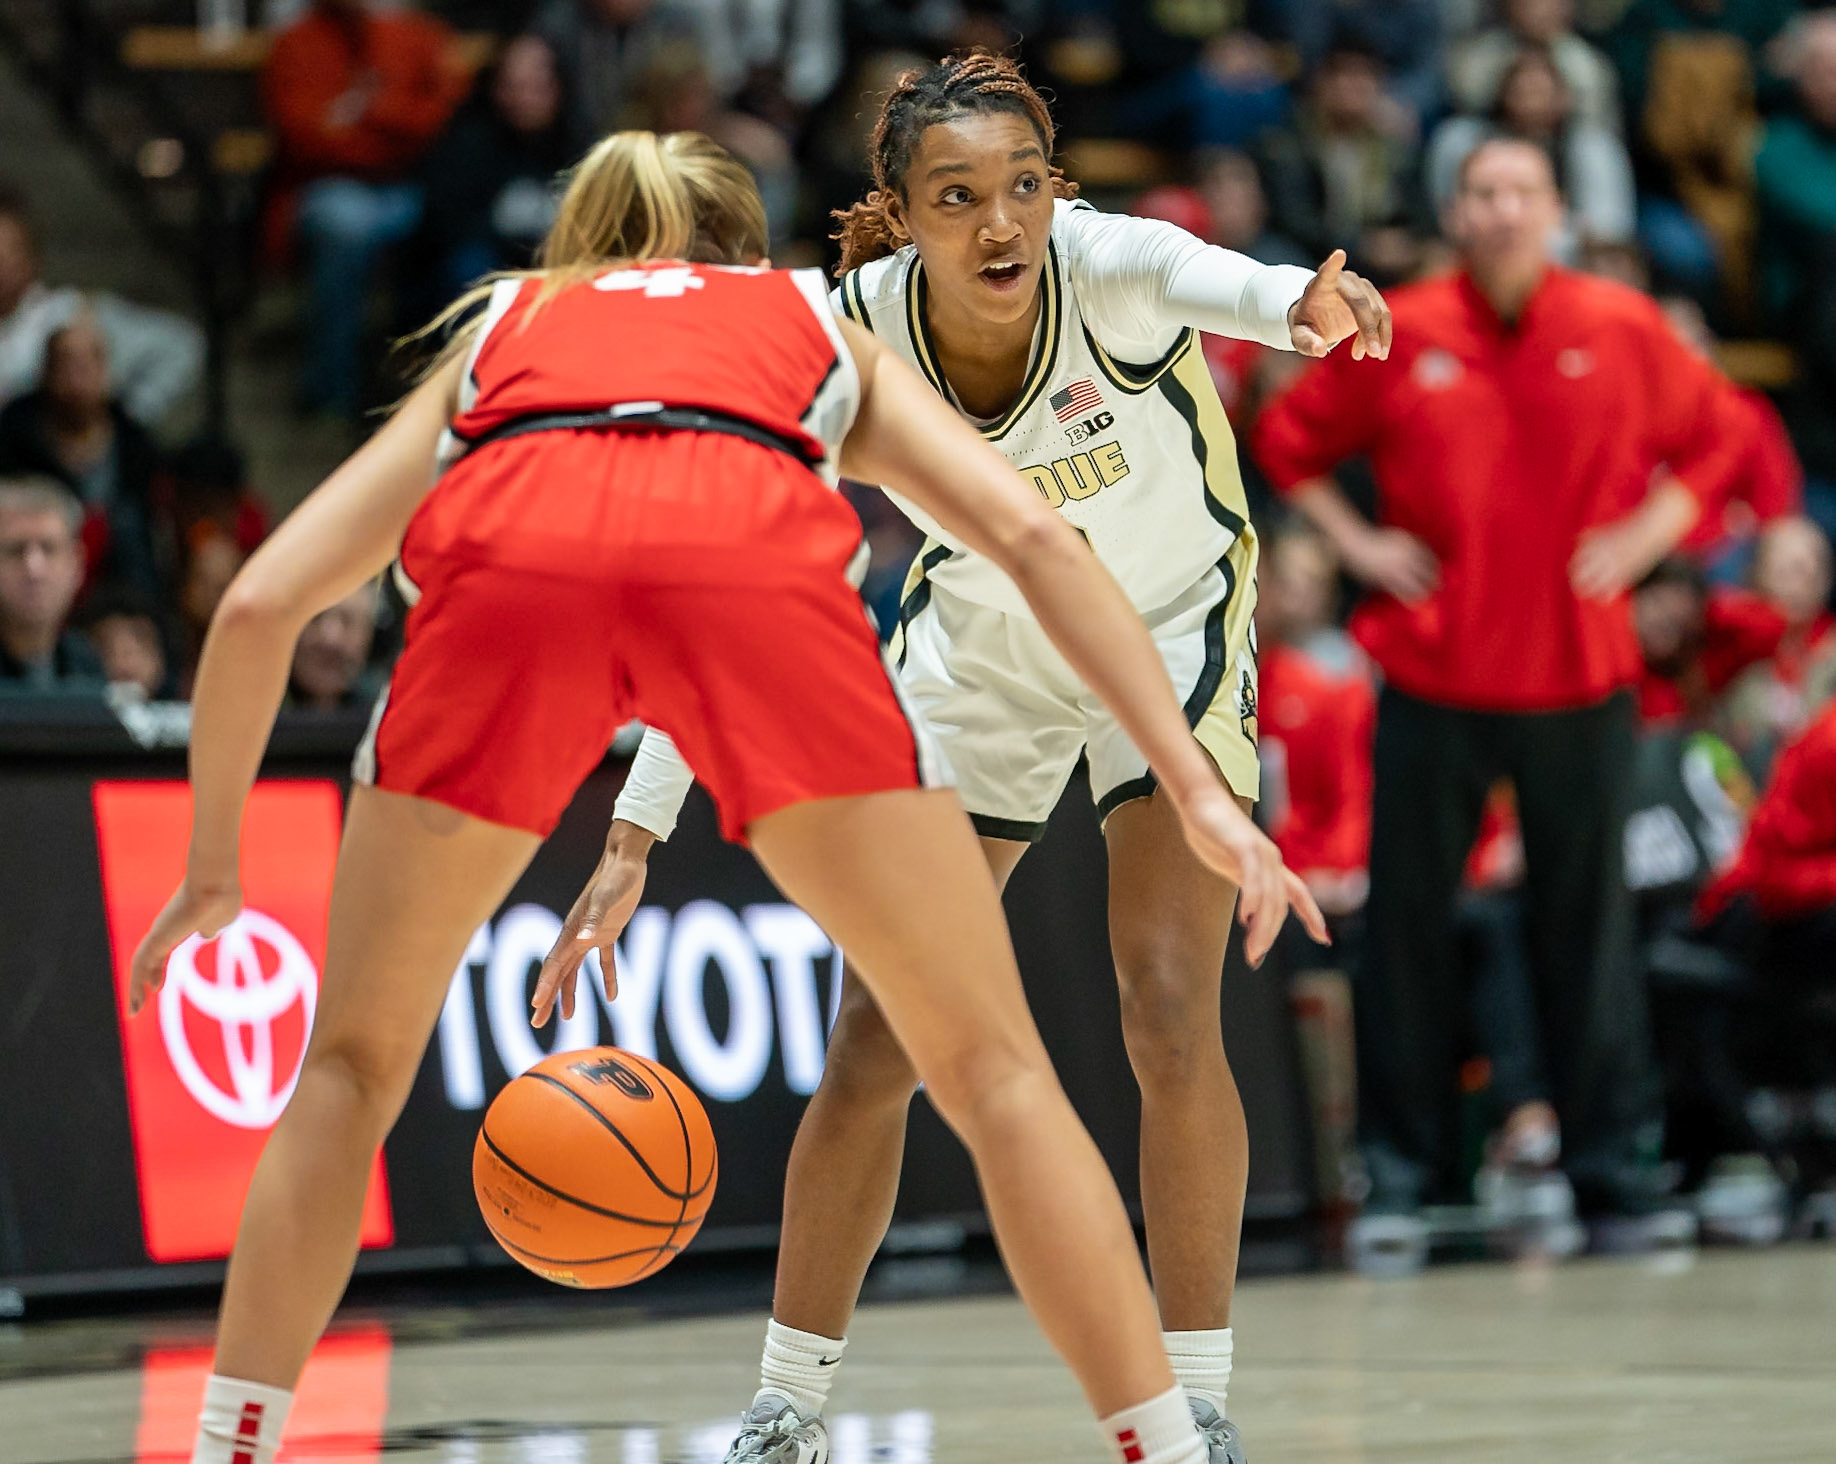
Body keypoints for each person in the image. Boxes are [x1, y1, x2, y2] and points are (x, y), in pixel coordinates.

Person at [126, 130, 1325, 1464]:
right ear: (743, 248)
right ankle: (1161, 1439)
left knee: (347, 1072)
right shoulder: (800, 316)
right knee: (989, 1068)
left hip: (515, 570)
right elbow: (1036, 539)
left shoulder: (507, 325)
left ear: (583, 242)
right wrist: (1202, 787)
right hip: (771, 580)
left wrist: (216, 866)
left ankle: (228, 1442)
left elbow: (259, 605)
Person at [576, 53, 1390, 1464]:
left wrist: (1309, 310)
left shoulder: (1110, 267)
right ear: (898, 212)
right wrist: (638, 830)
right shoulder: (849, 336)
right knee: (877, 1033)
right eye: (957, 199)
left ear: (1056, 192)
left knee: (1162, 1004)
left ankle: (1191, 1404)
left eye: (1024, 188)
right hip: (986, 652)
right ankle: (787, 1409)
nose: (1000, 225)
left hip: (1177, 626)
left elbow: (1247, 287)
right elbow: (726, 583)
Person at [1253, 138, 1743, 1263]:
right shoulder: (1405, 324)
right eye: (1482, 192)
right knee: (1410, 935)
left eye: (1523, 191)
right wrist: (1361, 542)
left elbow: (1723, 442)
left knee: (1593, 931)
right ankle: (1404, 1178)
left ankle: (1613, 1175)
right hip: (1434, 675)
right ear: (1456, 213)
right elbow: (1286, 440)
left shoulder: (1621, 324)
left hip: (1582, 675)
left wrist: (1651, 536)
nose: (1503, 209)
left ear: (1558, 209)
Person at [262, 0, 469, 416]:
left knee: (459, 223)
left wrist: (369, 111)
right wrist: (389, 136)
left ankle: (443, 387)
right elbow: (303, 136)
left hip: (415, 183)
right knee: (342, 222)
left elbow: (445, 121)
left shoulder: (420, 34)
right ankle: (333, 387)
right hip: (330, 186)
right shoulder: (298, 41)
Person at [0, 182, 204, 429]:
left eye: (11, 252)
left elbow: (182, 343)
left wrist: (122, 424)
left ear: (33, 256)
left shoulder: (71, 315)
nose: (4, 266)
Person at [0, 314, 165, 599]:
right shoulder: (12, 432)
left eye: (87, 364)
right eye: (66, 364)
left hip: (114, 583)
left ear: (106, 370)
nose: (77, 378)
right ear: (46, 372)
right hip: (33, 567)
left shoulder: (133, 440)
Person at [415, 34, 588, 300]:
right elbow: (445, 227)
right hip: (486, 271)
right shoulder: (465, 144)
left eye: (536, 87)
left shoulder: (583, 146)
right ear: (494, 88)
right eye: (513, 86)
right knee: (469, 265)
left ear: (559, 88)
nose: (524, 99)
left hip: (559, 268)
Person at [1424, 49, 1636, 257]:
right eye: (1521, 92)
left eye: (1540, 92)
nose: (1531, 103)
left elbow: (1608, 229)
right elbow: (1451, 217)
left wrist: (1544, 240)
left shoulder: (1592, 147)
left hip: (1573, 260)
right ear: (1502, 94)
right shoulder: (1464, 141)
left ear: (1562, 97)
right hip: (1480, 252)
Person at [1448, 0, 1621, 131]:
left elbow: (1595, 122)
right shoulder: (1482, 55)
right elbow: (1468, 106)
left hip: (1562, 147)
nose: (1539, 9)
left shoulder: (1586, 64)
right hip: (1494, 139)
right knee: (1459, 133)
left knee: (1595, 147)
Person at [0, 475, 104, 693]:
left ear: (76, 565)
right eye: (15, 550)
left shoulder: (88, 664)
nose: (34, 570)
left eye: (48, 548)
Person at [286, 582, 382, 710]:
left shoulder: (385, 709)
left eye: (347, 621)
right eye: (315, 617)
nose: (331, 638)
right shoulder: (255, 703)